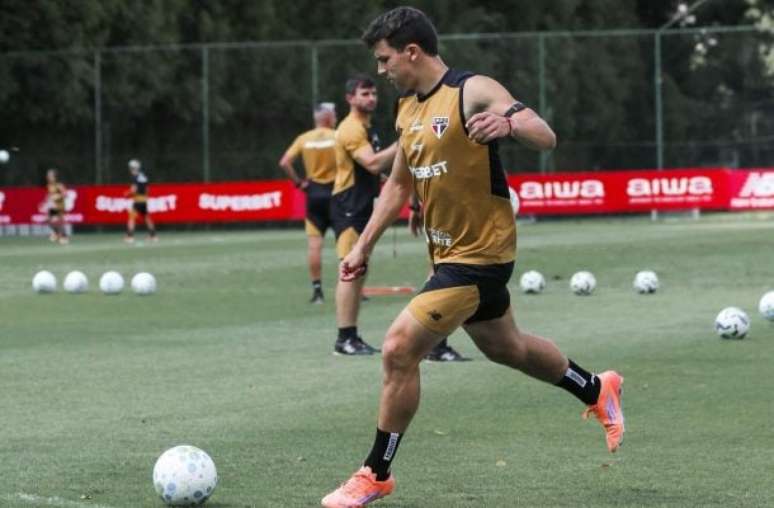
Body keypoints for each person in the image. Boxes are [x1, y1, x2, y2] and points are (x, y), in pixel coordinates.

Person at [321, 7, 624, 506]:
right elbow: (397, 185)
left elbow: (544, 134)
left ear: (411, 52)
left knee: (398, 349)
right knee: (508, 348)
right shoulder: (407, 108)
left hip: (482, 254)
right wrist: (363, 245)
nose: (381, 70)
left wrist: (508, 125)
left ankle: (376, 472)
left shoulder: (472, 89)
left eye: (385, 59)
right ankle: (596, 388)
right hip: (448, 254)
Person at [331, 75, 398, 356]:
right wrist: (406, 141)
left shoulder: (367, 127)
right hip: (349, 205)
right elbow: (371, 163)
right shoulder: (350, 128)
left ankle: (351, 337)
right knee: (350, 270)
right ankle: (345, 339)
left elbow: (377, 170)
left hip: (361, 204)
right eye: (364, 94)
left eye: (373, 93)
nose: (371, 98)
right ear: (350, 98)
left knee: (359, 269)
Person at [279, 102, 338, 304]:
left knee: (314, 246)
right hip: (337, 194)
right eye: (334, 114)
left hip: (314, 195)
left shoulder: (304, 138)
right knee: (347, 245)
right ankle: (353, 287)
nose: (336, 117)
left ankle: (317, 291)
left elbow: (284, 162)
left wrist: (298, 183)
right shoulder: (338, 136)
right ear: (328, 118)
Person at [407, 194, 469, 362]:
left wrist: (414, 206)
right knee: (442, 270)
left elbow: (412, 178)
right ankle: (433, 345)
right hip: (450, 208)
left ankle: (430, 343)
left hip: (438, 207)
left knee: (437, 269)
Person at [125, 159, 157, 243]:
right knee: (147, 218)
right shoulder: (143, 176)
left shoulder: (134, 177)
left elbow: (134, 189)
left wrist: (127, 193)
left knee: (131, 218)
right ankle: (153, 236)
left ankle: (130, 237)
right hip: (144, 200)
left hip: (137, 200)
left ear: (132, 168)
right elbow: (147, 190)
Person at [44, 168, 69, 245]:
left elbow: (65, 194)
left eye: (50, 176)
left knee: (57, 221)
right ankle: (57, 234)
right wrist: (45, 202)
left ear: (55, 177)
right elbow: (50, 195)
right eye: (48, 176)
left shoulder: (59, 185)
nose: (49, 177)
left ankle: (64, 237)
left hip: (60, 206)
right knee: (48, 220)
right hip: (54, 206)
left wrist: (58, 196)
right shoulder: (49, 185)